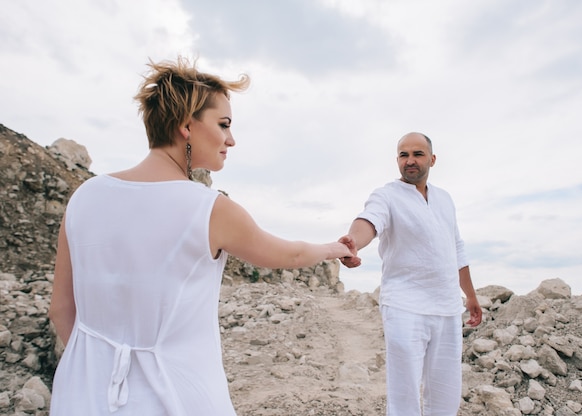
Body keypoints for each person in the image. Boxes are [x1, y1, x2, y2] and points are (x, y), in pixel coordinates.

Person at [48, 57, 354, 415]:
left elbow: (61, 309)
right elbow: (290, 256)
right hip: (175, 398)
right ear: (185, 126)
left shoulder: (85, 195)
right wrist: (335, 248)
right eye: (223, 124)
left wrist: (96, 368)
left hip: (81, 396)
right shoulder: (209, 209)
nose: (231, 139)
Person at [339, 132, 482, 416]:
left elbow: (456, 248)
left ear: (432, 159)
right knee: (404, 398)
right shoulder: (387, 195)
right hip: (405, 307)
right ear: (397, 160)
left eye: (417, 154)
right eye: (403, 155)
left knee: (445, 397)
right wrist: (354, 242)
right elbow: (369, 220)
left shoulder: (445, 199)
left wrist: (470, 296)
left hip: (447, 308)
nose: (410, 161)